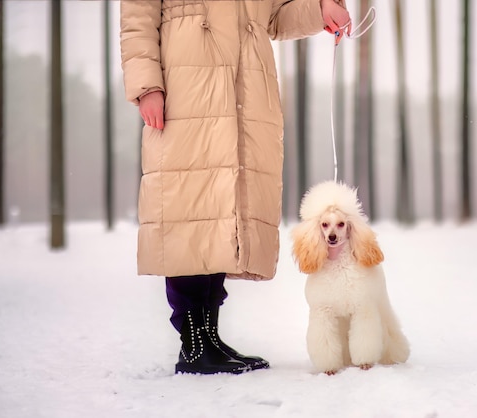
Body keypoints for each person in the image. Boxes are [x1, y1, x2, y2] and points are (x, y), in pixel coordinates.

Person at [120, 0, 351, 375]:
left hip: (246, 86)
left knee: (223, 212)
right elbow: (138, 18)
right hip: (187, 85)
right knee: (188, 209)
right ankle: (193, 342)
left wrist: (322, 8)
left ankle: (208, 336)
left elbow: (273, 16)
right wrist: (147, 86)